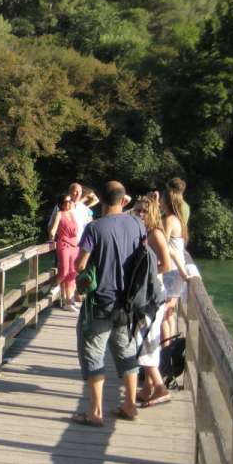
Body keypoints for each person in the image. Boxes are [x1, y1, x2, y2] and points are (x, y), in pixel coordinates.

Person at [71, 180, 146, 426]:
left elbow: (80, 265)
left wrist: (82, 279)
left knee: (94, 353)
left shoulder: (94, 228)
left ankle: (95, 412)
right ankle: (130, 405)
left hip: (100, 302)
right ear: (124, 199)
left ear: (101, 200)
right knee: (126, 353)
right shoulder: (138, 224)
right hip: (127, 303)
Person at [132, 196, 172, 406]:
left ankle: (160, 387)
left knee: (143, 340)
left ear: (153, 214)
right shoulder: (141, 232)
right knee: (148, 340)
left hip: (152, 294)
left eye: (143, 211)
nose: (139, 214)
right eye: (137, 210)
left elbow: (167, 265)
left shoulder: (156, 234)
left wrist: (147, 272)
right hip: (143, 293)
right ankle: (148, 388)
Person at [161, 186, 190, 343]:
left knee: (163, 315)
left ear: (167, 201)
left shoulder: (168, 220)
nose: (159, 201)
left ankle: (165, 351)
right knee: (169, 313)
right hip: (177, 270)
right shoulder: (179, 220)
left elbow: (165, 247)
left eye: (162, 198)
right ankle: (169, 348)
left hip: (170, 270)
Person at [49, 194, 80, 311]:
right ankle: (53, 285)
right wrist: (51, 238)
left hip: (74, 245)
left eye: (70, 201)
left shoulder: (72, 214)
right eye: (66, 201)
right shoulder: (59, 214)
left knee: (72, 273)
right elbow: (54, 229)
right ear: (61, 204)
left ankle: (68, 302)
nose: (69, 203)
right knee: (65, 271)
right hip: (64, 244)